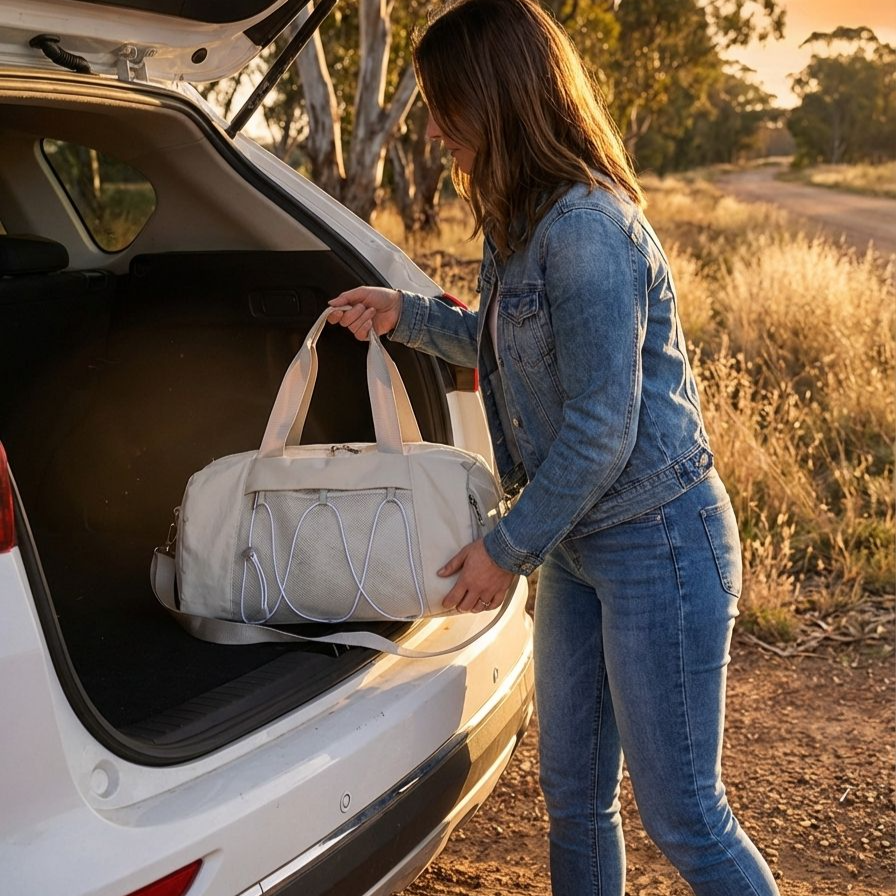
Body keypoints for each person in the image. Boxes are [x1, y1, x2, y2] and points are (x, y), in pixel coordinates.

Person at [327, 1, 780, 893]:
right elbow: (504, 343)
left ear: (497, 101)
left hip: (660, 541)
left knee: (686, 816)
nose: (432, 127)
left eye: (443, 103)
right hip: (578, 540)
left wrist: (506, 548)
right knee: (574, 797)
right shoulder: (517, 223)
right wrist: (404, 314)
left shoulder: (585, 232)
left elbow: (601, 427)